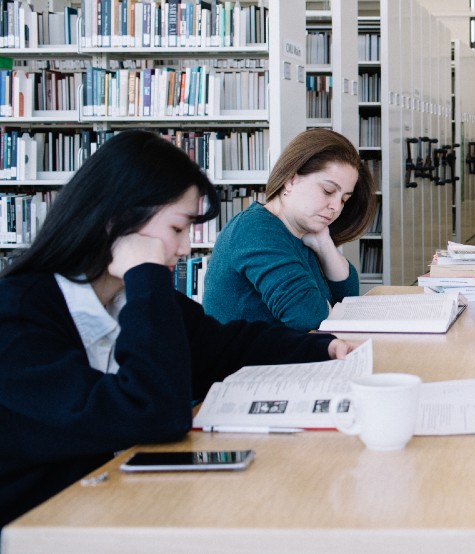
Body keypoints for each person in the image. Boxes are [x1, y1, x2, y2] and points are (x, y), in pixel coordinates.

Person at [0, 130, 353, 529]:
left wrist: (324, 350)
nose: (185, 249)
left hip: (107, 505)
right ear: (118, 223)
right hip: (35, 527)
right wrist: (146, 274)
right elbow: (153, 413)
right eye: (176, 230)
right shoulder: (16, 318)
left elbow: (225, 347)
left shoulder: (125, 299)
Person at [203, 128, 377, 331]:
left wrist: (324, 244)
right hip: (250, 362)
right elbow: (307, 314)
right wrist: (325, 308)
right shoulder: (255, 230)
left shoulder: (300, 231)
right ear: (291, 179)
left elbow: (348, 298)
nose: (336, 207)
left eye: (344, 199)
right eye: (328, 191)